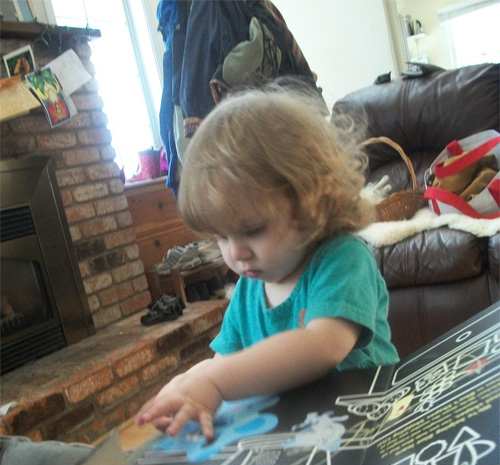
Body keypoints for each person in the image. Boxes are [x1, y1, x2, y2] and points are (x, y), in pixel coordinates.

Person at [136, 86, 399, 439]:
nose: (236, 253)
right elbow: (225, 363)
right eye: (221, 236)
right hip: (301, 432)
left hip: (373, 424)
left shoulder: (342, 259)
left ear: (309, 202)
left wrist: (214, 381)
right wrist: (188, 385)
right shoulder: (248, 291)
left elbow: (324, 346)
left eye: (252, 230)